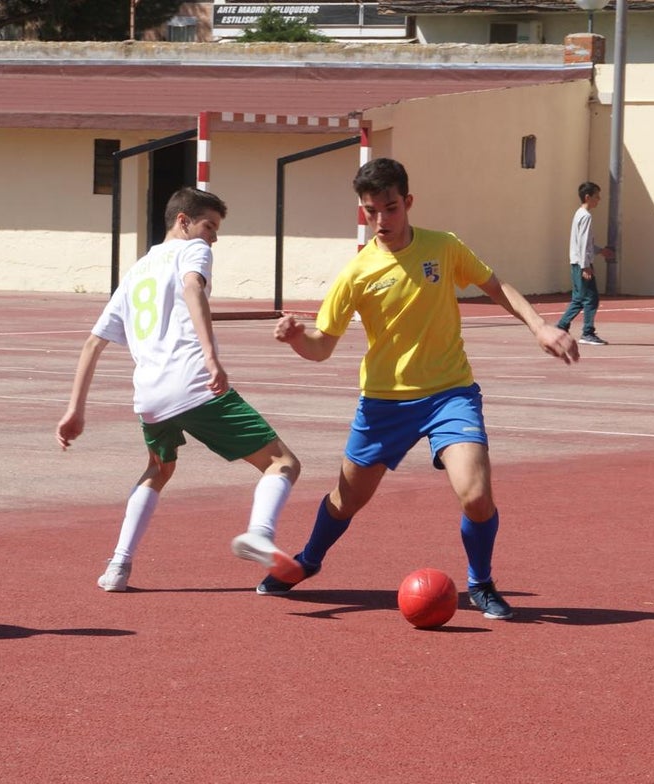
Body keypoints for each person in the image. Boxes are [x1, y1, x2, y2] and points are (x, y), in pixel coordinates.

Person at [257, 158, 579, 620]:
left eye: (390, 208)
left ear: (407, 202)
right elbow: (321, 347)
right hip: (383, 405)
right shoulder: (357, 272)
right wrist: (295, 339)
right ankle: (307, 560)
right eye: (371, 211)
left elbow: (495, 285)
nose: (382, 220)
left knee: (476, 494)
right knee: (346, 501)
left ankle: (481, 582)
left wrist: (540, 326)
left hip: (451, 394)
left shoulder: (443, 247)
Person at [55, 187, 305, 592]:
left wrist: (74, 410)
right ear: (183, 222)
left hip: (150, 398)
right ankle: (259, 533)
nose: (214, 238)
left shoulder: (135, 272)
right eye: (210, 227)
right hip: (194, 384)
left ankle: (117, 567)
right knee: (282, 463)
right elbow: (192, 288)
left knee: (158, 469)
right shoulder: (192, 250)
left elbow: (93, 343)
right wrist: (210, 357)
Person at [556, 181, 615, 345]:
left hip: (577, 262)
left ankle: (561, 327)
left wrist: (600, 251)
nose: (599, 199)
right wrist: (586, 266)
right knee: (591, 298)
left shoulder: (579, 214)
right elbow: (582, 244)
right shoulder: (586, 216)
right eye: (597, 196)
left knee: (579, 298)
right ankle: (587, 333)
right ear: (587, 197)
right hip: (582, 264)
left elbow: (585, 243)